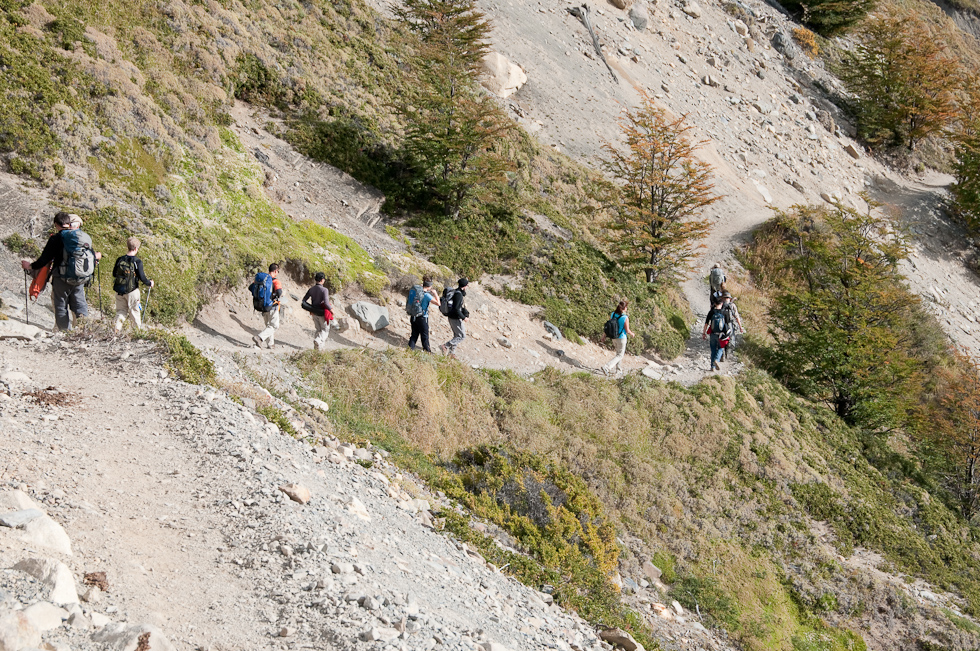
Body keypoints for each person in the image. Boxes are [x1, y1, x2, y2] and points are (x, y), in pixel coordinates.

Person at [21, 211, 102, 331]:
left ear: (56, 224)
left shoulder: (56, 238)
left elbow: (44, 259)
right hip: (80, 278)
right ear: (69, 223)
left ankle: (65, 332)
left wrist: (30, 266)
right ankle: (83, 331)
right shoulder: (80, 236)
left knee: (60, 305)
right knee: (79, 304)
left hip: (61, 278)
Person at [112, 237, 154, 332]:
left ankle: (116, 329)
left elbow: (114, 274)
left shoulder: (120, 259)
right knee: (134, 312)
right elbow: (142, 277)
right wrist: (149, 283)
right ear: (136, 249)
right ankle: (137, 332)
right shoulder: (137, 262)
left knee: (121, 311)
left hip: (119, 290)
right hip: (132, 291)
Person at [249, 263, 283, 349]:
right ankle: (259, 338)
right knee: (274, 326)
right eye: (278, 271)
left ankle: (270, 344)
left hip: (262, 306)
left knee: (269, 325)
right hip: (272, 306)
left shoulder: (263, 279)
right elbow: (279, 293)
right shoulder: (276, 281)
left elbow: (250, 287)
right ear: (275, 271)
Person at [601, 300, 634, 376]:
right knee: (620, 355)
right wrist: (632, 334)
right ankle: (606, 367)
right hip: (621, 338)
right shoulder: (625, 317)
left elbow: (608, 326)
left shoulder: (613, 314)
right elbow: (627, 330)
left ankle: (618, 371)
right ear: (624, 308)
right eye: (626, 307)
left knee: (618, 354)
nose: (627, 308)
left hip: (614, 337)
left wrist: (604, 336)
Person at [408, 276, 440, 353]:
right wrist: (435, 294)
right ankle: (427, 351)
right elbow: (438, 303)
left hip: (414, 316)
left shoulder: (417, 291)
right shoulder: (427, 295)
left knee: (414, 334)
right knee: (424, 335)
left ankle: (410, 349)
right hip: (422, 317)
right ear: (429, 286)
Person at [440, 278, 470, 358]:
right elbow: (456, 308)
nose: (467, 287)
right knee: (462, 336)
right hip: (455, 318)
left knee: (457, 335)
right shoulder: (458, 294)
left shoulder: (456, 292)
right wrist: (464, 318)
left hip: (452, 317)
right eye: (467, 285)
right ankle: (445, 346)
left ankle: (452, 353)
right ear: (464, 286)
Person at [302, 272, 333, 350]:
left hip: (314, 312)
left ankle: (318, 349)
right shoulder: (324, 290)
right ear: (322, 280)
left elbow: (304, 300)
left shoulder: (311, 289)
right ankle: (318, 340)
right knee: (325, 330)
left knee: (318, 329)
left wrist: (310, 308)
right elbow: (326, 302)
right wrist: (331, 309)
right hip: (322, 312)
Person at [702, 297, 731, 372]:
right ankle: (717, 360)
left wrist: (704, 333)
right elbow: (728, 324)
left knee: (713, 349)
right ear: (722, 304)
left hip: (713, 334)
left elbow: (706, 324)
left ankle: (712, 367)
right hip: (721, 334)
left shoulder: (711, 312)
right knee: (721, 348)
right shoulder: (724, 312)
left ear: (714, 304)